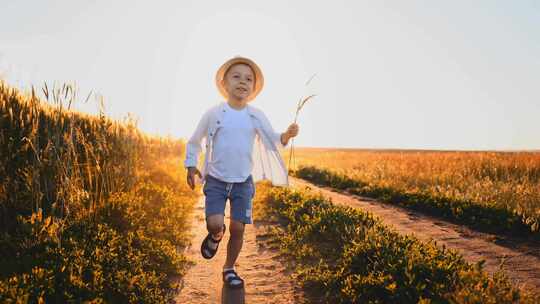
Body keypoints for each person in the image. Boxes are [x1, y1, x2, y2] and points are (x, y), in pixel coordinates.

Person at [184, 56, 299, 289]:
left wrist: (286, 135)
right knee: (215, 223)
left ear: (253, 88)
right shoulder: (213, 114)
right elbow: (195, 141)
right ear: (224, 84)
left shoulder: (255, 115)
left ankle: (229, 268)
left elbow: (272, 139)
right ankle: (216, 235)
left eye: (248, 79)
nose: (242, 82)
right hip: (216, 179)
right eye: (236, 76)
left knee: (238, 228)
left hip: (242, 183)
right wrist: (190, 164)